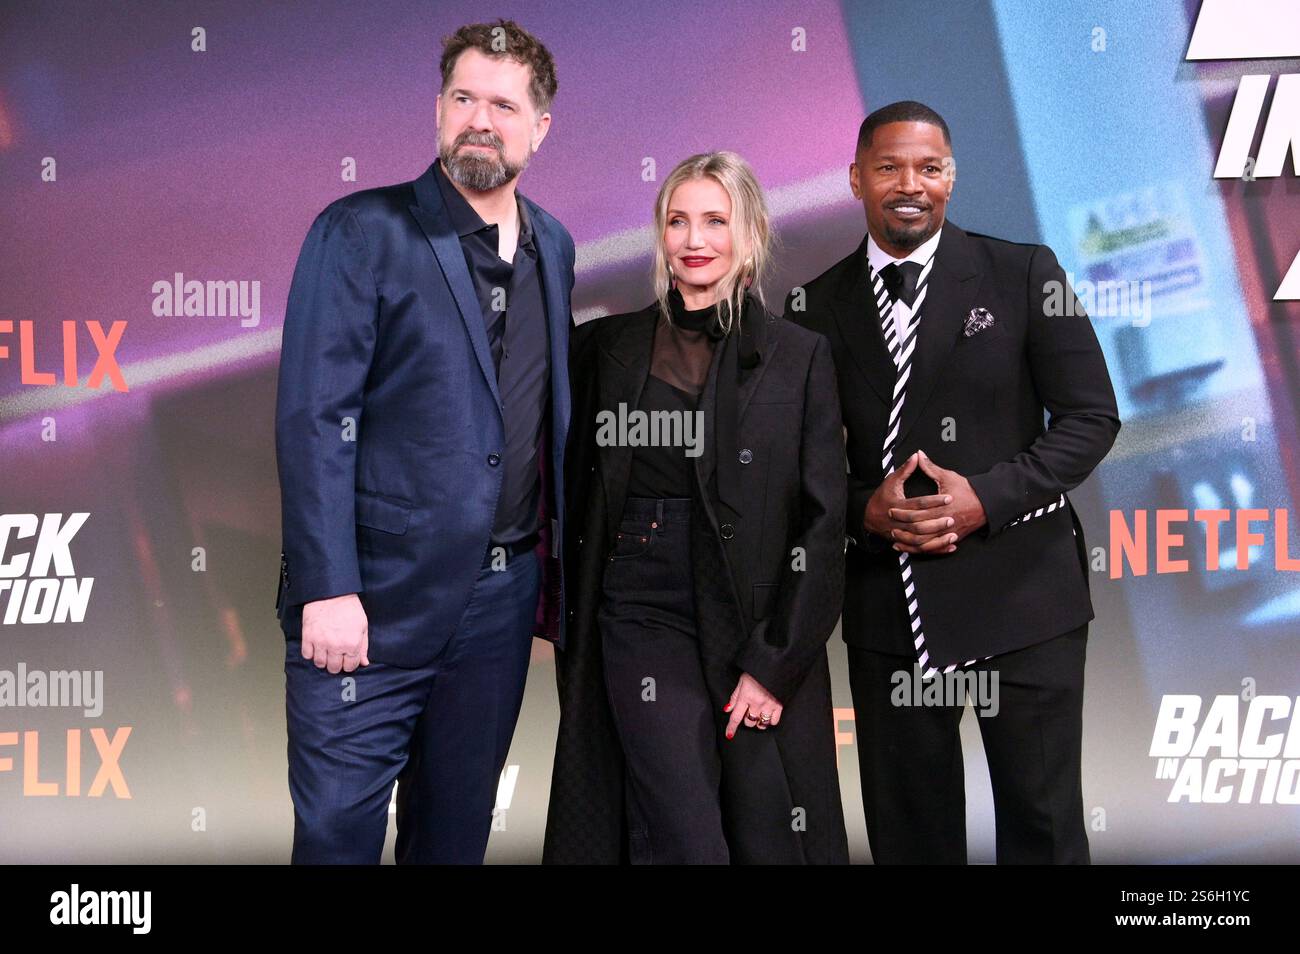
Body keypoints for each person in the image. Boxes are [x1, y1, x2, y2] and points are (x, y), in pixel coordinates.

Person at [787, 100, 1121, 864]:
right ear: (856, 179)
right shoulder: (810, 307)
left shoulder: (1026, 271)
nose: (910, 185)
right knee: (912, 839)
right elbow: (790, 467)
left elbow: (1090, 419)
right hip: (889, 609)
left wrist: (985, 500)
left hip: (1024, 599)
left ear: (951, 177)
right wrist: (860, 510)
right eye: (889, 167)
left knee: (1043, 830)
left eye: (929, 168)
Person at [274, 19, 575, 864]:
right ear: (438, 109)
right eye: (464, 97)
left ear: (539, 127)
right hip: (370, 603)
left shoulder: (555, 244)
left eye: (504, 104)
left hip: (500, 604)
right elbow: (313, 418)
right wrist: (328, 587)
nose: (481, 119)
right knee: (337, 837)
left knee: (454, 836)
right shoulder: (361, 230)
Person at [544, 151, 849, 864]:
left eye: (716, 220)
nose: (694, 239)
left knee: (767, 830)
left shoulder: (800, 356)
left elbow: (824, 522)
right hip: (639, 607)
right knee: (683, 833)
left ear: (751, 233)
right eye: (677, 220)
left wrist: (775, 663)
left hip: (753, 613)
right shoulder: (606, 348)